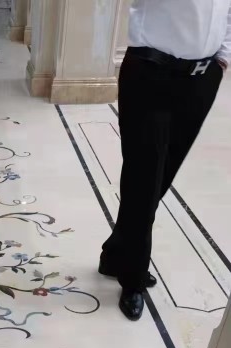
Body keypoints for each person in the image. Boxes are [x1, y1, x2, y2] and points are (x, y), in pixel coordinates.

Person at [100, 0, 231, 320]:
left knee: (162, 176)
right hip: (151, 73)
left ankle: (116, 254)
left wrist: (223, 58)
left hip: (203, 78)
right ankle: (132, 277)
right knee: (144, 179)